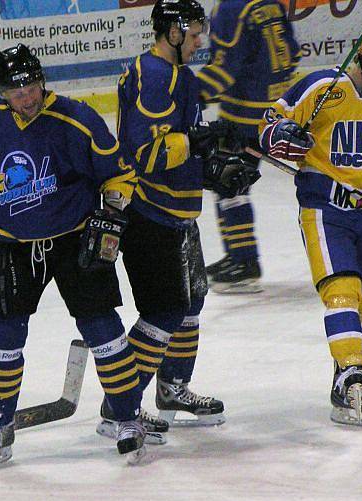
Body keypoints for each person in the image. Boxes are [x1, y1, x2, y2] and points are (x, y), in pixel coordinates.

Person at [0, 43, 152, 468]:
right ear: (1, 93)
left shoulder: (76, 119)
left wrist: (110, 216)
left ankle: (127, 418)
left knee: (103, 330)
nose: (27, 98)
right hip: (13, 242)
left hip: (74, 238)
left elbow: (121, 175)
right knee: (1, 337)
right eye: (17, 93)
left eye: (32, 87)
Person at [96, 0, 258, 435]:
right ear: (171, 32)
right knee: (164, 313)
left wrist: (217, 170)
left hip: (179, 211)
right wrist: (200, 141)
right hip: (149, 212)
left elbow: (181, 149)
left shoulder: (179, 76)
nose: (200, 40)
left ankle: (172, 388)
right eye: (193, 34)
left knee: (191, 304)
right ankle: (120, 408)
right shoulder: (152, 77)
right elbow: (146, 155)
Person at [258, 24, 362, 427]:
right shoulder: (321, 86)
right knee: (342, 290)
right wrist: (280, 133)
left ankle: (348, 382)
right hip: (327, 209)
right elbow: (268, 124)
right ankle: (352, 376)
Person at [197, 0, 301, 293]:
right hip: (279, 111)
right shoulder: (270, 3)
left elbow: (223, 72)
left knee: (226, 182)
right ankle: (238, 258)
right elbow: (293, 53)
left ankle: (243, 262)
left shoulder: (231, 8)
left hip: (243, 118)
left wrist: (186, 94)